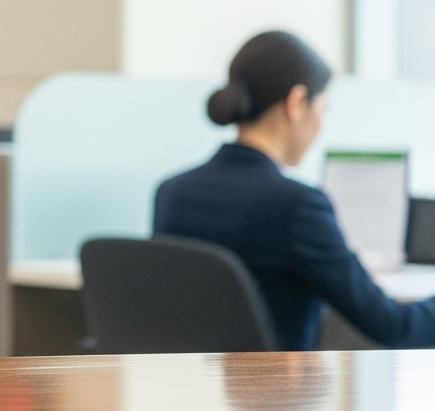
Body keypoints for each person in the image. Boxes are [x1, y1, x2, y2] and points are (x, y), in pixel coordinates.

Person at [154, 30, 435, 350]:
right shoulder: (298, 206)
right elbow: (395, 327)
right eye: (323, 108)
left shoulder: (172, 193)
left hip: (184, 393)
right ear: (297, 102)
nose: (320, 123)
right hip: (273, 395)